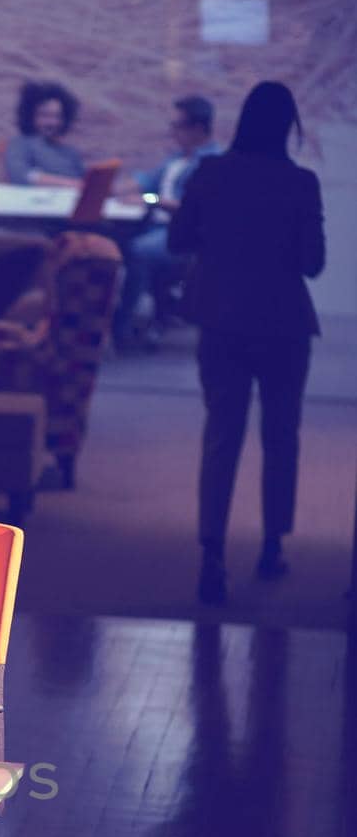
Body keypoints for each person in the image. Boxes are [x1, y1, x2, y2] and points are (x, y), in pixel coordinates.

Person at [168, 81, 325, 604]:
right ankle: (271, 544)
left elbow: (178, 241)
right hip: (284, 322)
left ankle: (211, 553)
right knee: (282, 435)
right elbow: (313, 263)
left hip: (221, 317)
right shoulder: (301, 183)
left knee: (222, 434)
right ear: (287, 127)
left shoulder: (210, 175)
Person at [112, 95, 219, 351]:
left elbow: (193, 207)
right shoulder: (176, 159)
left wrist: (149, 199)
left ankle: (122, 327)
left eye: (178, 126)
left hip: (181, 233)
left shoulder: (212, 163)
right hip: (153, 226)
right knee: (110, 237)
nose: (172, 132)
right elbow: (147, 181)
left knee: (138, 251)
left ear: (198, 129)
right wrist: (114, 189)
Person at [4, 81, 84, 188]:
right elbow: (21, 175)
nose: (52, 122)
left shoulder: (70, 152)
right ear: (30, 115)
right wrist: (72, 184)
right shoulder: (20, 144)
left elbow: (85, 181)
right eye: (45, 115)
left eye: (57, 116)